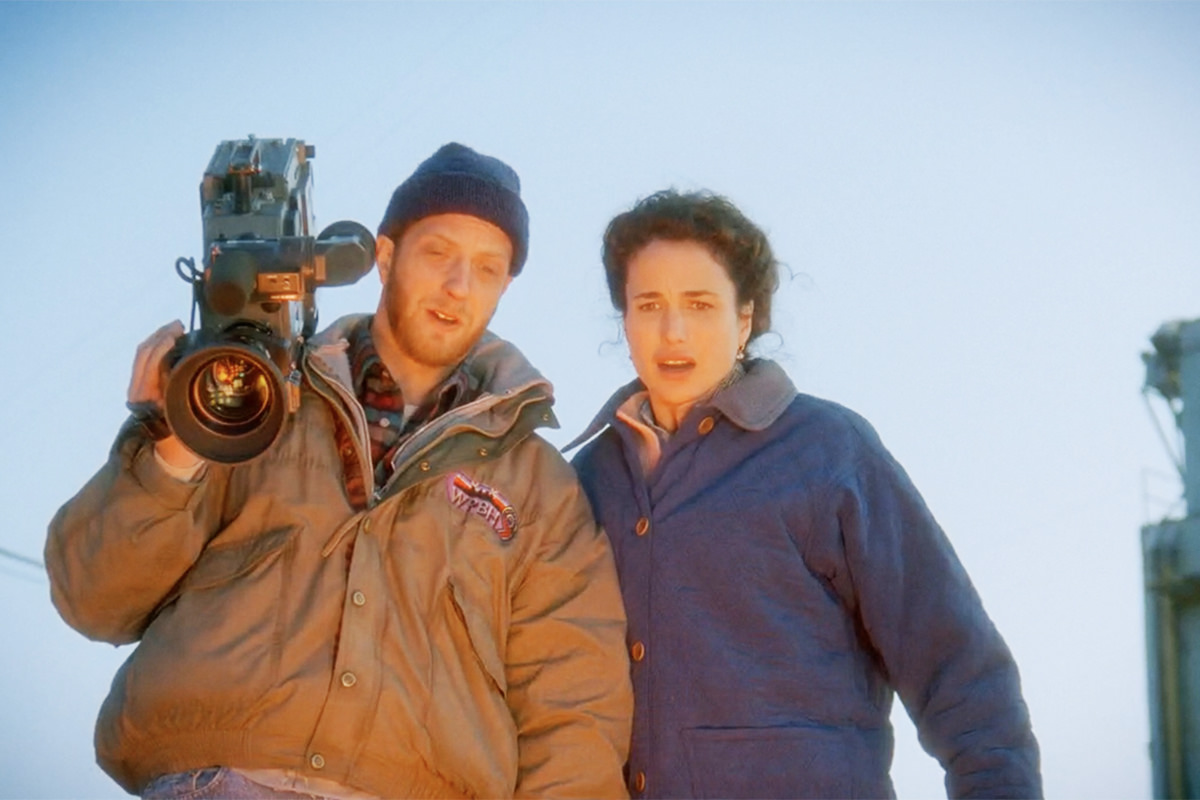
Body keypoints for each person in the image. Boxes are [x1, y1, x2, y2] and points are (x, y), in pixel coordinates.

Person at [46, 143, 632, 800]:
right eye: (438, 253)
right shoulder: (253, 399)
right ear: (385, 257)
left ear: (504, 286)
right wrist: (177, 445)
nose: (458, 287)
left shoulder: (539, 487)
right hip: (218, 780)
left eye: (487, 268)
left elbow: (573, 703)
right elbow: (93, 599)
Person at [565, 189, 1042, 799]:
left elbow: (956, 663)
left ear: (745, 320)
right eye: (649, 303)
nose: (673, 329)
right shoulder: (585, 481)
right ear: (625, 321)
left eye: (701, 304)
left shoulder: (827, 452)